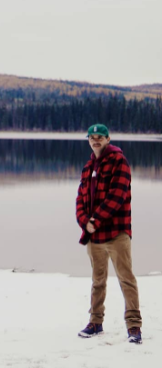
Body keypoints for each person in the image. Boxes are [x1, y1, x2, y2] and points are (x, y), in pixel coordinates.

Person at [75, 124, 142, 344]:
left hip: (117, 233)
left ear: (108, 139)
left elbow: (118, 195)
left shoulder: (118, 161)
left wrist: (95, 220)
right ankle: (95, 322)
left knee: (126, 280)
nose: (96, 141)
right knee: (97, 281)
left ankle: (133, 327)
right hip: (94, 237)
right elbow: (80, 200)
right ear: (88, 140)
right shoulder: (87, 167)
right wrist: (85, 222)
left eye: (100, 137)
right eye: (92, 137)